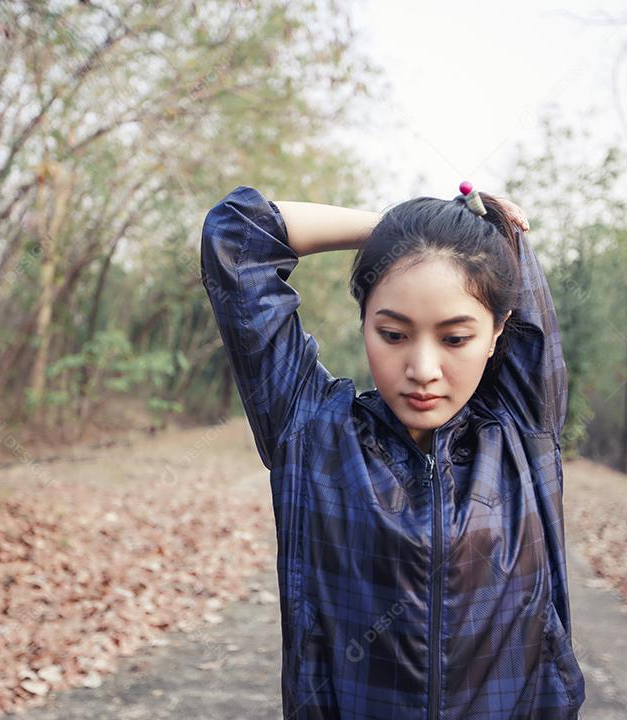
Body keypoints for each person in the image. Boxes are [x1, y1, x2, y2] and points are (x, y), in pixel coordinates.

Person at [200, 182, 585, 719]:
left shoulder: (522, 429)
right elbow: (239, 236)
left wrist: (471, 227)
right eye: (394, 334)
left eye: (455, 339)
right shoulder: (310, 430)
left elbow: (513, 258)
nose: (423, 370)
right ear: (365, 323)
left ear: (499, 332)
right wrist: (398, 228)